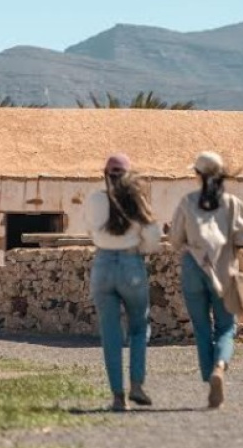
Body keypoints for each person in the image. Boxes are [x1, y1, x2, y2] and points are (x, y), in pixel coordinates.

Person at [169, 151, 243, 409]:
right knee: (226, 327)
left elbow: (175, 241)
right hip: (223, 269)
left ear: (198, 175)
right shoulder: (232, 203)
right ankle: (220, 367)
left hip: (194, 268)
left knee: (202, 327)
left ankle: (209, 380)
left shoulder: (187, 202)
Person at [85, 153, 162, 412]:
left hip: (103, 265)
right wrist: (140, 248)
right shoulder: (137, 201)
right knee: (139, 328)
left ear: (105, 174)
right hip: (131, 264)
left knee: (111, 333)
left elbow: (90, 230)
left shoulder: (95, 199)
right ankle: (137, 384)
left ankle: (118, 397)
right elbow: (152, 236)